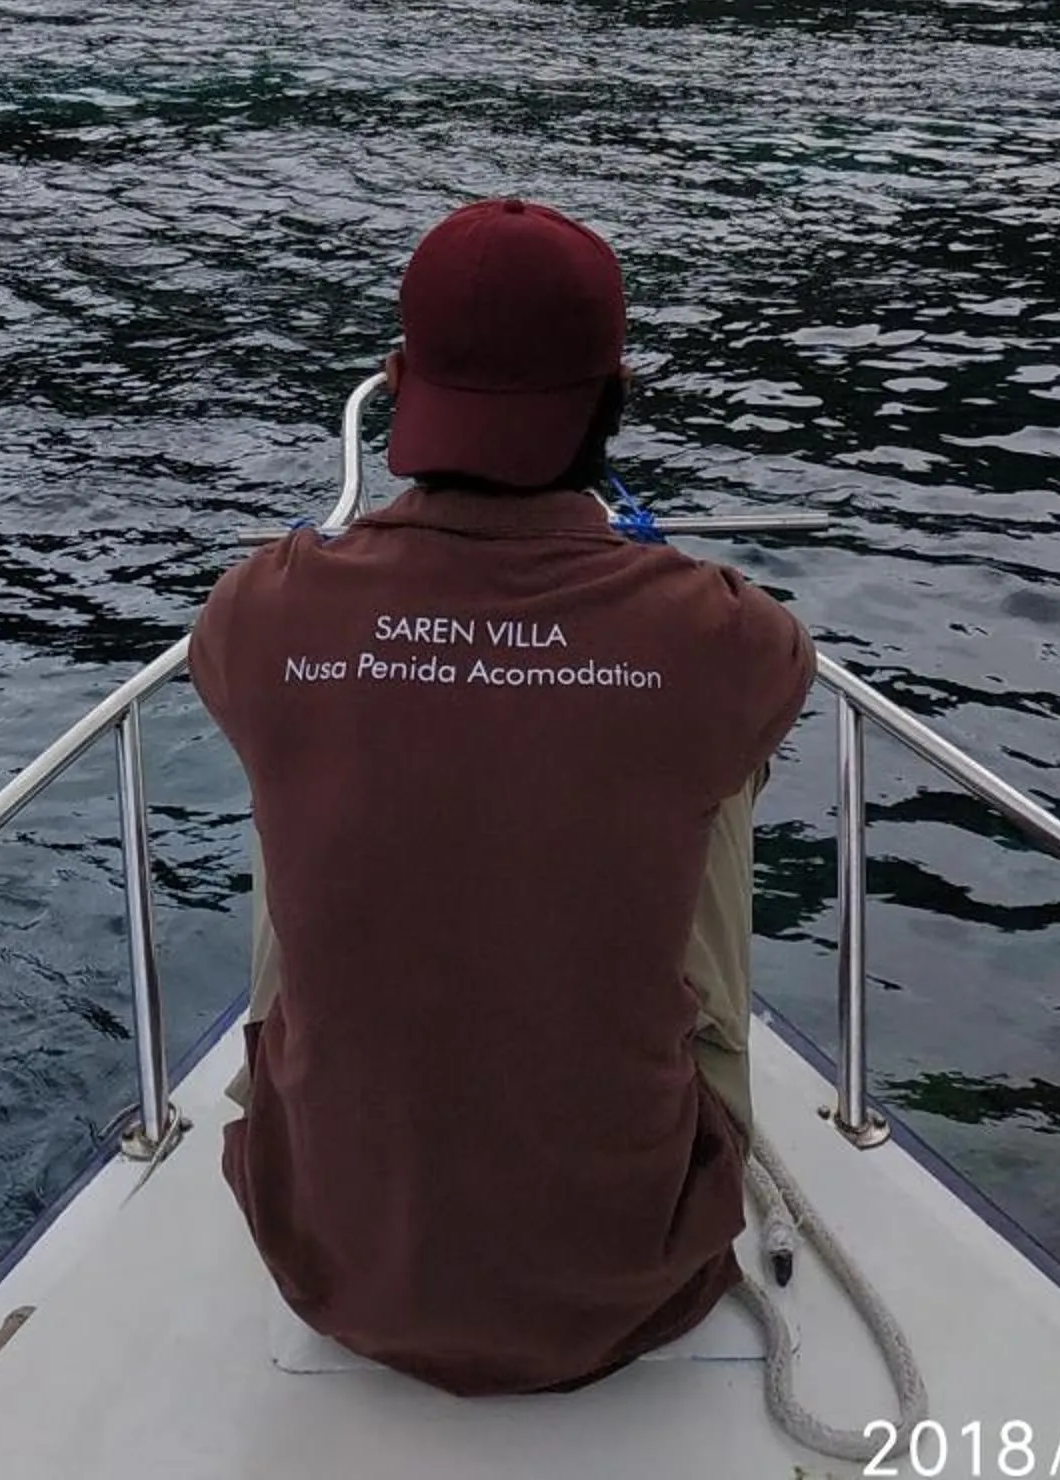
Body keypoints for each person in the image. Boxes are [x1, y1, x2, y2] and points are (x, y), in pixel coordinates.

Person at [189, 197, 815, 1398]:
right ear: (615, 394)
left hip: (330, 1267)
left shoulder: (265, 609)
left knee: (305, 754)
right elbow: (780, 677)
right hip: (634, 1283)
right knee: (711, 773)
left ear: (396, 381)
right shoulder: (718, 634)